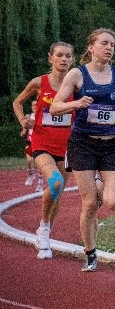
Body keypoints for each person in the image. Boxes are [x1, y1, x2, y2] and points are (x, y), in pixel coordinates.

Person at [50, 28, 115, 272]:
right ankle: (90, 253)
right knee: (89, 204)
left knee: (114, 202)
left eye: (112, 44)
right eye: (104, 43)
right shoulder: (77, 74)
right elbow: (55, 107)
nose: (109, 48)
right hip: (83, 143)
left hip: (112, 143)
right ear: (91, 47)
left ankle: (100, 184)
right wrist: (77, 103)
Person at [12, 43, 76, 259]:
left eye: (68, 56)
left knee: (56, 194)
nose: (64, 59)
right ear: (50, 58)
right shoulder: (40, 83)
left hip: (66, 146)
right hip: (41, 144)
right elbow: (18, 102)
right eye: (59, 55)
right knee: (55, 182)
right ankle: (44, 227)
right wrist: (22, 120)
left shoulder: (76, 84)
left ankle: (45, 230)